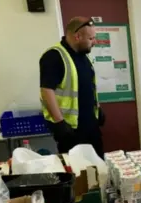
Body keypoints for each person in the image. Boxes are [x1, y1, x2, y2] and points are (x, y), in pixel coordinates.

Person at [39, 17, 105, 158]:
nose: (95, 42)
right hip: (71, 130)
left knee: (98, 167)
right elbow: (46, 90)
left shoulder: (83, 56)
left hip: (90, 126)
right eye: (91, 38)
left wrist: (98, 109)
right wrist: (59, 122)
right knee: (78, 172)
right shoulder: (54, 56)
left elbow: (88, 87)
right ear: (77, 36)